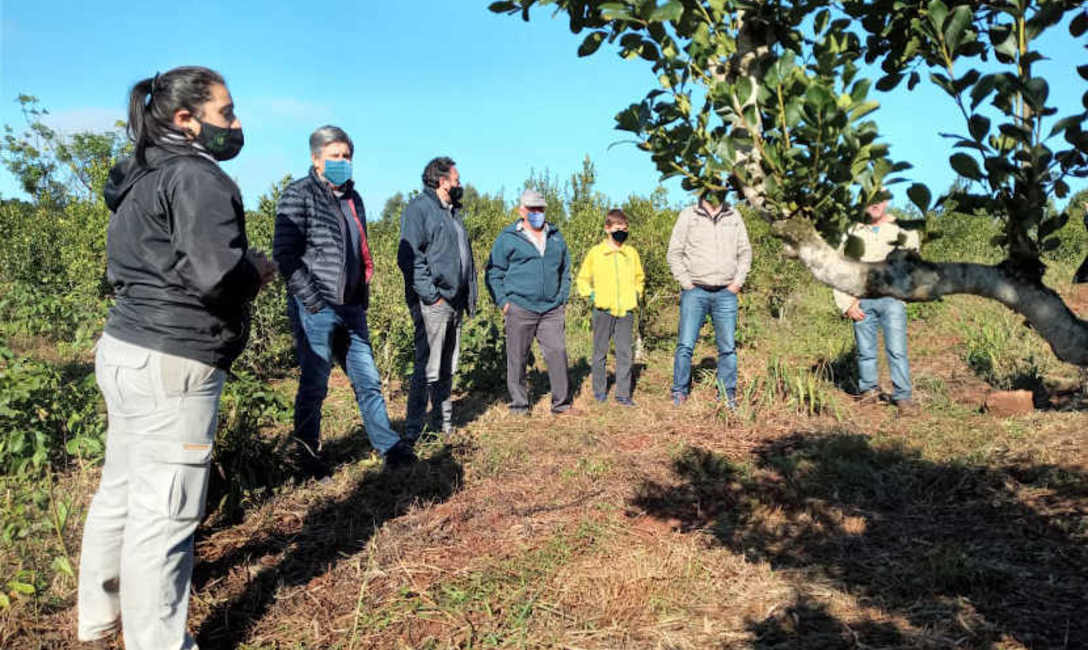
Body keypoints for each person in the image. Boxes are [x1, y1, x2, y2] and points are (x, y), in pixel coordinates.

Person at [78, 66, 277, 650]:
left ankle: (99, 619)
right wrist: (255, 271)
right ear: (187, 119)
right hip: (175, 359)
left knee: (121, 489)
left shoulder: (140, 173)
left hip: (126, 347)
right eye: (227, 112)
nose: (236, 124)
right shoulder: (196, 177)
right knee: (166, 513)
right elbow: (215, 277)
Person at [274, 125, 415, 477]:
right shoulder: (299, 194)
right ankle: (306, 456)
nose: (342, 161)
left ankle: (389, 447)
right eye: (334, 156)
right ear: (316, 159)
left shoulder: (355, 199)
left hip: (351, 307)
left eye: (346, 156)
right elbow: (285, 255)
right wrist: (312, 301)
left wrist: (361, 290)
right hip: (317, 307)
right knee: (315, 383)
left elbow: (359, 246)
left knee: (368, 380)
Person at [397, 156, 477, 440]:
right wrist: (432, 297)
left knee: (446, 367)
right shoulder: (420, 209)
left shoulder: (452, 213)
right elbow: (409, 257)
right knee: (427, 367)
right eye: (456, 180)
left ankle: (442, 425)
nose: (460, 184)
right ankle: (414, 430)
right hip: (434, 302)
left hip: (454, 302)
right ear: (443, 182)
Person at [485, 189, 578, 416]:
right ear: (521, 210)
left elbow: (565, 270)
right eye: (532, 209)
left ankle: (561, 405)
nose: (537, 212)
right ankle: (519, 406)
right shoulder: (508, 238)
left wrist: (562, 298)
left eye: (540, 208)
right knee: (517, 357)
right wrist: (504, 302)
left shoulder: (555, 236)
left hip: (551, 309)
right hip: (520, 306)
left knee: (557, 353)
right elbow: (494, 272)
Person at [833, 198, 921, 415]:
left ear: (887, 201)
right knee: (865, 351)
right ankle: (869, 390)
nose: (875, 205)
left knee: (897, 350)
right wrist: (846, 304)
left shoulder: (902, 229)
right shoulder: (853, 230)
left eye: (880, 200)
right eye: (871, 200)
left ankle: (903, 397)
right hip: (861, 300)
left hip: (892, 300)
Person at [667, 190, 752, 408]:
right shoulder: (688, 215)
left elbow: (745, 252)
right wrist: (686, 283)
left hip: (726, 293)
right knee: (685, 345)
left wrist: (736, 284)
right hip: (695, 291)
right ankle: (679, 391)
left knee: (728, 348)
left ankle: (727, 395)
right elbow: (674, 253)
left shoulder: (733, 216)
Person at [575, 208, 645, 406]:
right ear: (607, 229)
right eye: (617, 228)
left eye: (624, 228)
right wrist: (592, 295)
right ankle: (599, 390)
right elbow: (582, 279)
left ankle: (623, 394)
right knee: (600, 352)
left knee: (625, 353)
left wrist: (636, 294)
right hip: (603, 310)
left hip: (626, 312)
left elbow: (639, 278)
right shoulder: (596, 253)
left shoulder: (631, 253)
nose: (621, 231)